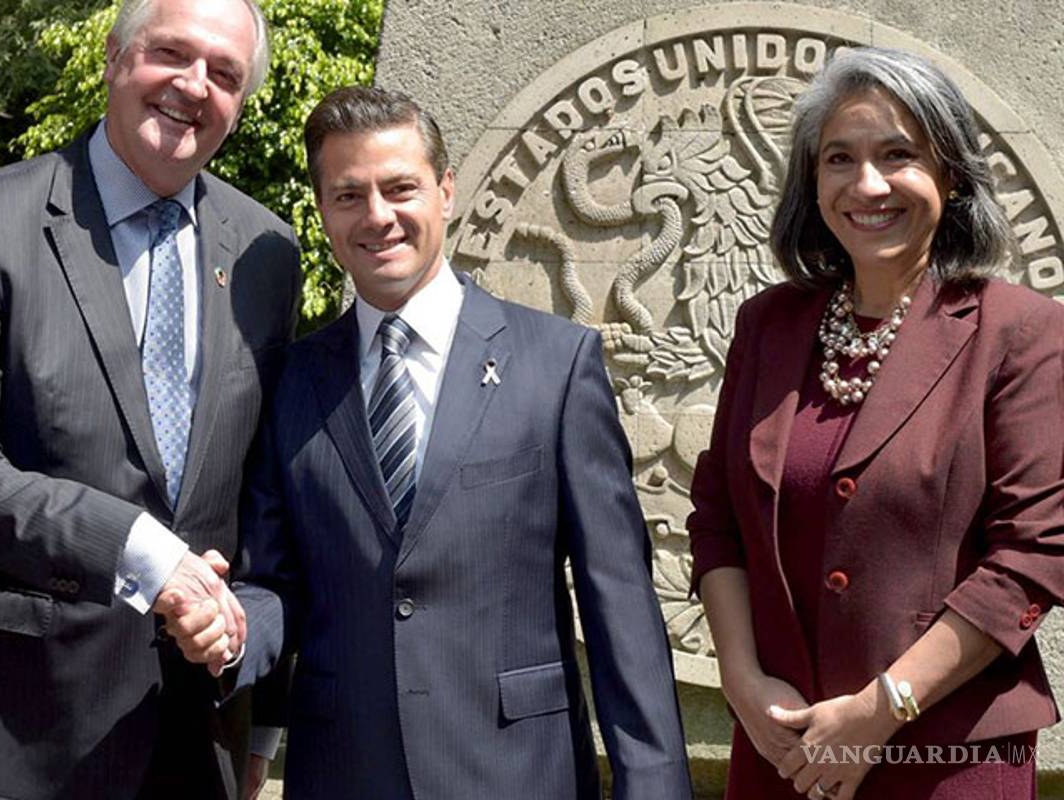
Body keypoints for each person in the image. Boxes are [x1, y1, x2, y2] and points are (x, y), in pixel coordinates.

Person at [164, 85, 695, 799]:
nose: (377, 216)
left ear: (444, 191)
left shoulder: (557, 365)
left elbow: (620, 607)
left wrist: (654, 787)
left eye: (400, 188)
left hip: (518, 772)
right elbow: (276, 585)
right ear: (322, 211)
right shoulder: (291, 380)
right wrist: (229, 631)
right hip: (345, 771)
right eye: (349, 196)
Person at [0, 0, 301, 797]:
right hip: (5, 741)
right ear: (113, 58)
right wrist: (140, 550)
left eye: (225, 74)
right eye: (171, 53)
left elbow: (267, 497)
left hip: (188, 742)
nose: (194, 85)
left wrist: (259, 711)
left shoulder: (269, 254)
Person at [688, 46, 1064, 800]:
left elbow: (1032, 557)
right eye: (839, 159)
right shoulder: (768, 326)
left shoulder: (1020, 332)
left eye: (899, 155)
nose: (867, 184)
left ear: (951, 175)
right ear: (812, 182)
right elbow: (720, 520)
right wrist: (742, 680)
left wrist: (877, 711)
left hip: (944, 757)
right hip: (781, 746)